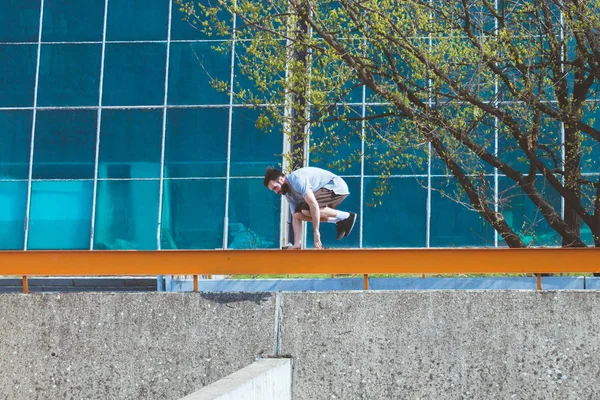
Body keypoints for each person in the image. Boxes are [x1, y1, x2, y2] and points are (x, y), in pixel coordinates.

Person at [263, 166, 357, 249]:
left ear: (281, 179)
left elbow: (313, 204)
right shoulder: (288, 194)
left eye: (275, 187)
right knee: (298, 213)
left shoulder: (296, 179)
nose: (276, 192)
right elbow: (296, 218)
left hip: (336, 187)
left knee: (306, 209)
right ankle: (338, 220)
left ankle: (347, 216)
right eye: (273, 190)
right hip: (324, 193)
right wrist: (297, 243)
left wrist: (316, 232)